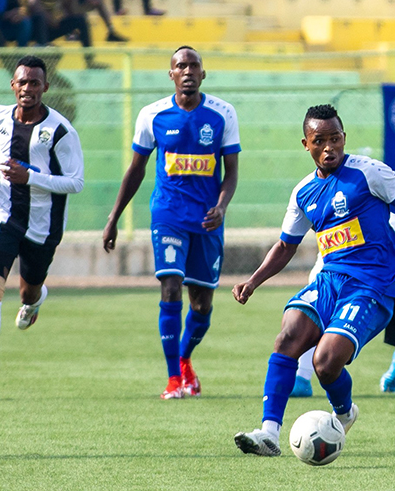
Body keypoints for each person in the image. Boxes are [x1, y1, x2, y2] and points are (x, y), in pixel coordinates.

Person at [231, 104, 395, 457]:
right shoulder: (303, 192)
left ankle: (344, 414)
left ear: (344, 138)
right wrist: (253, 281)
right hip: (330, 280)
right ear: (306, 144)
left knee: (325, 363)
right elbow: (285, 245)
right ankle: (268, 434)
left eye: (335, 139)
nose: (329, 147)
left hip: (371, 284)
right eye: (320, 140)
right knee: (288, 337)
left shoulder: (369, 173)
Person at [102, 46, 240, 399]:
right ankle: (173, 379)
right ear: (172, 74)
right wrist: (114, 217)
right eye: (181, 65)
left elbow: (231, 173)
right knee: (170, 286)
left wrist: (221, 207)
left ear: (203, 73)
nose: (188, 70)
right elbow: (136, 169)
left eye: (194, 65)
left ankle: (185, 358)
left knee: (202, 304)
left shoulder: (223, 114)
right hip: (168, 214)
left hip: (207, 220)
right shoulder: (152, 115)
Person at [0, 55, 84, 397]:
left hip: (42, 224)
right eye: (22, 82)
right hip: (2, 212)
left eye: (35, 83)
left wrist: (31, 177)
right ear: (13, 85)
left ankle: (35, 301)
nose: (27, 88)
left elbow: (76, 182)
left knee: (28, 291)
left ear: (45, 87)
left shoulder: (61, 131)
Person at [291, 209, 395, 397]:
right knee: (319, 306)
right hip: (359, 291)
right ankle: (301, 377)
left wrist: (365, 294)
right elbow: (316, 286)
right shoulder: (336, 229)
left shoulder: (391, 226)